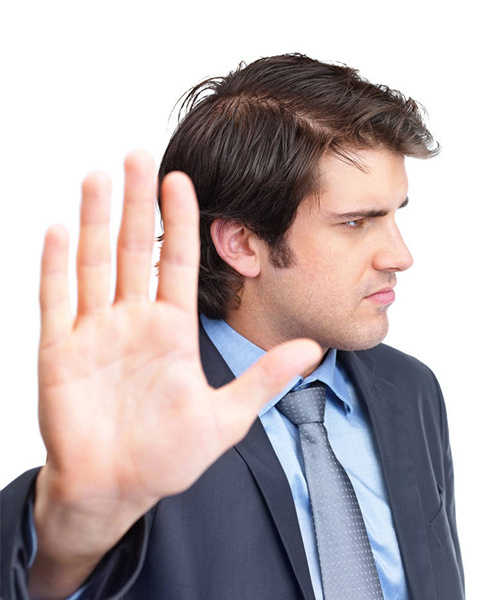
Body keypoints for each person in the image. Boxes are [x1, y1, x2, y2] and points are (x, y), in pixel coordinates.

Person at [0, 54, 464, 600]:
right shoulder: (148, 415)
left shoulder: (410, 390)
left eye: (394, 214)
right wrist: (65, 537)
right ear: (243, 244)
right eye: (356, 222)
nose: (401, 256)